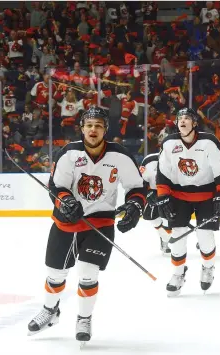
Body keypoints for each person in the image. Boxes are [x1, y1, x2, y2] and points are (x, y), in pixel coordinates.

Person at [28, 106, 146, 342]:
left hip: (100, 223)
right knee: (55, 273)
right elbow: (57, 188)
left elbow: (137, 187)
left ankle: (84, 317)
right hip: (66, 222)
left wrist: (135, 206)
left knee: (88, 273)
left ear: (105, 130)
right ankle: (51, 311)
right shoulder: (69, 154)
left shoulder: (120, 156)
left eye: (98, 126)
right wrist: (67, 201)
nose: (93, 130)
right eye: (89, 125)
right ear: (82, 128)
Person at [156, 108, 220, 296]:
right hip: (179, 195)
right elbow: (163, 172)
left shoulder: (209, 141)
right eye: (180, 118)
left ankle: (208, 267)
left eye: (187, 118)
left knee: (205, 236)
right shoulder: (169, 143)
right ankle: (178, 273)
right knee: (178, 235)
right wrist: (163, 196)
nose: (183, 121)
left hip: (206, 195)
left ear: (195, 123)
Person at [140, 153, 171, 255]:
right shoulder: (149, 160)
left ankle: (166, 242)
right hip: (154, 192)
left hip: (171, 192)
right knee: (149, 216)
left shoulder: (179, 156)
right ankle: (164, 236)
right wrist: (147, 191)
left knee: (168, 218)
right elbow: (140, 179)